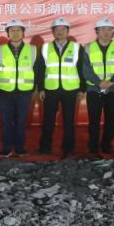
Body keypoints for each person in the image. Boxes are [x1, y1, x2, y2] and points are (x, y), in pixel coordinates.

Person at [79, 17, 114, 156]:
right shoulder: (88, 48)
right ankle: (93, 147)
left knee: (110, 120)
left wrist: (112, 80)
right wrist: (98, 82)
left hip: (113, 89)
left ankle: (107, 146)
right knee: (93, 120)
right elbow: (85, 69)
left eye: (109, 29)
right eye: (102, 29)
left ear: (113, 32)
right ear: (97, 31)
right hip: (94, 89)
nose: (106, 32)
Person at [35, 17, 83, 158]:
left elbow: (81, 68)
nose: (60, 31)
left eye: (63, 29)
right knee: (48, 120)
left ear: (68, 31)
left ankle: (68, 148)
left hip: (70, 89)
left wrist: (82, 89)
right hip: (51, 89)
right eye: (57, 29)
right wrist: (41, 88)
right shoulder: (45, 48)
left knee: (69, 120)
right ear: (53, 31)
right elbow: (40, 69)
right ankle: (45, 147)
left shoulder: (77, 48)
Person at [0, 19, 37, 157]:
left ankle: (20, 148)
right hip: (4, 91)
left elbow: (38, 70)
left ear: (23, 33)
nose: (15, 33)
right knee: (6, 121)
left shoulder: (32, 50)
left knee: (21, 121)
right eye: (12, 30)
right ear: (8, 33)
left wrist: (35, 88)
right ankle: (6, 148)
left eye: (18, 30)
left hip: (24, 91)